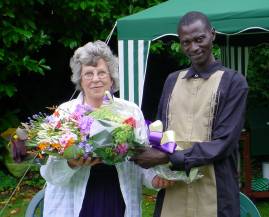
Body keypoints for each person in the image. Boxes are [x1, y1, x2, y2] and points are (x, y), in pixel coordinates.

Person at [131, 11, 248, 217]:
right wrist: (148, 158)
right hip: (173, 190)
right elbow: (160, 131)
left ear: (212, 34)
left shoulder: (233, 82)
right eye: (186, 42)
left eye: (199, 39)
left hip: (215, 191)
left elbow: (224, 143)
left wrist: (167, 157)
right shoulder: (172, 80)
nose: (193, 47)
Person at [40, 40, 173, 217]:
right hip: (75, 200)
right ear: (80, 79)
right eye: (88, 73)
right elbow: (49, 173)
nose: (96, 79)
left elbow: (142, 157)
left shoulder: (130, 111)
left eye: (102, 72)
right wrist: (71, 163)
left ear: (111, 78)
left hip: (117, 197)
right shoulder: (65, 113)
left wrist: (154, 178)